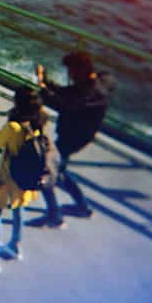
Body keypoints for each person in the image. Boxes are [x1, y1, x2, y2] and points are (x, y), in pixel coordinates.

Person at [0, 87, 51, 273]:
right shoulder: (40, 118)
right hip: (28, 174)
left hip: (8, 177)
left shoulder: (14, 127)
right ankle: (14, 245)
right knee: (19, 208)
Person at [33, 51, 106, 226]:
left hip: (72, 138)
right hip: (77, 137)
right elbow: (65, 92)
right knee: (60, 171)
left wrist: (42, 89)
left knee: (46, 172)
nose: (69, 75)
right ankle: (82, 207)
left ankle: (54, 216)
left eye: (71, 71)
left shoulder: (88, 92)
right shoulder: (90, 85)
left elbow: (62, 103)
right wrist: (45, 81)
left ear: (80, 70)